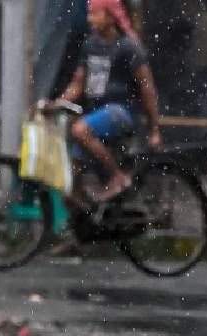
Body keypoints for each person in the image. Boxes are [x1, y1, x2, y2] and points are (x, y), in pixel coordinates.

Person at [56, 0, 161, 201]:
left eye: (96, 14)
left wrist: (154, 128)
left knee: (80, 130)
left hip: (121, 112)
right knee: (73, 172)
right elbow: (77, 84)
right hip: (97, 114)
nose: (90, 19)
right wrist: (58, 103)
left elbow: (147, 89)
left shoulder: (129, 47)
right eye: (89, 14)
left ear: (111, 17)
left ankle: (117, 176)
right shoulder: (90, 45)